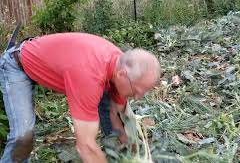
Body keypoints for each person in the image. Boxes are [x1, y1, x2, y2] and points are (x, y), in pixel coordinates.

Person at [0, 32, 161, 163]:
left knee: (113, 111)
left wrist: (135, 152)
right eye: (138, 90)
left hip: (66, 66)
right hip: (17, 65)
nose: (139, 97)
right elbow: (85, 147)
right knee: (23, 136)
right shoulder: (89, 76)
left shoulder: (121, 65)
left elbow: (118, 114)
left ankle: (117, 152)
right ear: (122, 74)